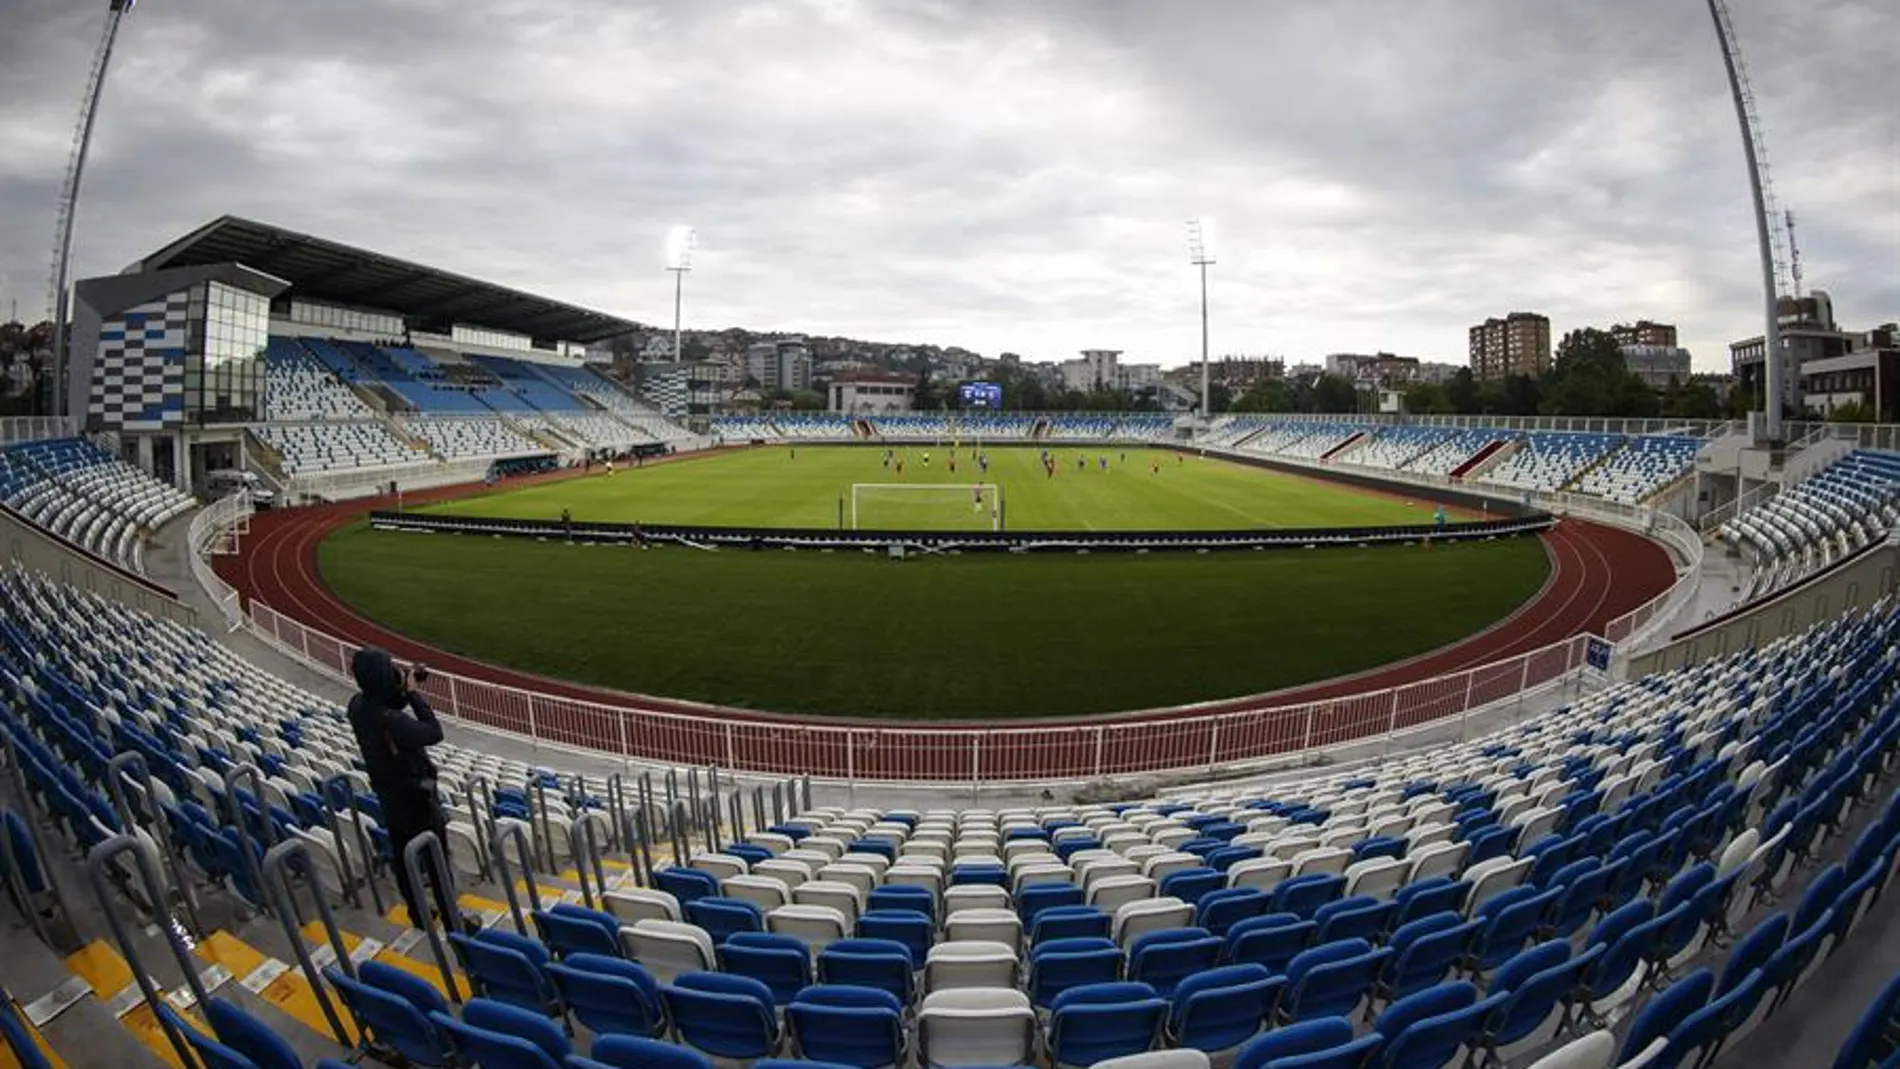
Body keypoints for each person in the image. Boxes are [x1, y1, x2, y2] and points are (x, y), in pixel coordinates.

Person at [347, 647, 472, 933]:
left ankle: (418, 914)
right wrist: (414, 694)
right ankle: (454, 922)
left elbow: (383, 705)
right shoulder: (393, 722)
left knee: (405, 858)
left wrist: (403, 690)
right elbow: (432, 732)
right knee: (436, 861)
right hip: (416, 799)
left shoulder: (358, 706)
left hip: (389, 797)